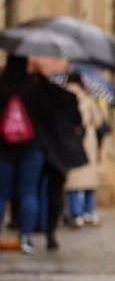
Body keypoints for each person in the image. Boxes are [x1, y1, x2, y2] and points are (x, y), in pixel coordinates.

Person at [0, 55, 79, 253]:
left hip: (3, 148)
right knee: (28, 192)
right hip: (31, 147)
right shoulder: (34, 88)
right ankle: (26, 237)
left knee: (1, 195)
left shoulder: (1, 86)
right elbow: (51, 112)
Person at [64, 72, 104, 229]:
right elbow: (99, 122)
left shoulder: (61, 95)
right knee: (88, 180)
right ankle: (89, 211)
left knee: (72, 180)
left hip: (68, 141)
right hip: (87, 142)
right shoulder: (88, 98)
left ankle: (76, 213)